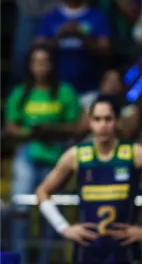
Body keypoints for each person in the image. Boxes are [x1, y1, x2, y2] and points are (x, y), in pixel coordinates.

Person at [36, 96, 142, 264]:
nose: (103, 125)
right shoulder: (76, 155)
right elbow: (42, 191)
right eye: (97, 119)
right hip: (87, 251)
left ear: (116, 121)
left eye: (108, 119)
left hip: (124, 250)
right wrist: (62, 227)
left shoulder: (134, 153)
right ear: (90, 122)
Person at [5, 44, 81, 264]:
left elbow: (76, 126)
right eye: (36, 62)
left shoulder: (64, 91)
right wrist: (32, 131)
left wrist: (52, 129)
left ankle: (46, 261)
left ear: (51, 64)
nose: (41, 67)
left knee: (52, 212)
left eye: (45, 62)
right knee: (21, 210)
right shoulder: (21, 92)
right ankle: (20, 258)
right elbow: (10, 127)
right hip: (28, 151)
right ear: (30, 66)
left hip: (56, 154)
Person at [35, 0, 111, 95]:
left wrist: (82, 36)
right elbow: (38, 48)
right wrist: (60, 36)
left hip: (89, 90)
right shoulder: (50, 16)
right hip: (56, 90)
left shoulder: (98, 16)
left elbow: (105, 50)